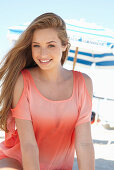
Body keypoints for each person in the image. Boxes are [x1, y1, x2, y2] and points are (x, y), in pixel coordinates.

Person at [0, 12, 95, 170]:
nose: (42, 54)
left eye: (51, 45)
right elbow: (29, 145)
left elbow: (84, 143)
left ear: (64, 45)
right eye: (36, 45)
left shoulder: (83, 83)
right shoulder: (23, 82)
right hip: (19, 162)